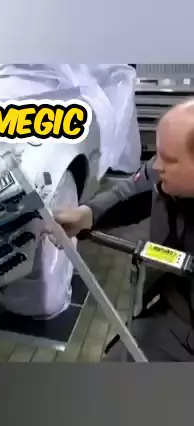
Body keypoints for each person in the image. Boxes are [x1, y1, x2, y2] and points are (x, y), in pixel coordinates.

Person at [54, 100, 194, 362]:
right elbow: (136, 188)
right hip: (171, 310)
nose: (156, 165)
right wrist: (88, 214)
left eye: (169, 159)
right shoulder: (165, 173)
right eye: (158, 153)